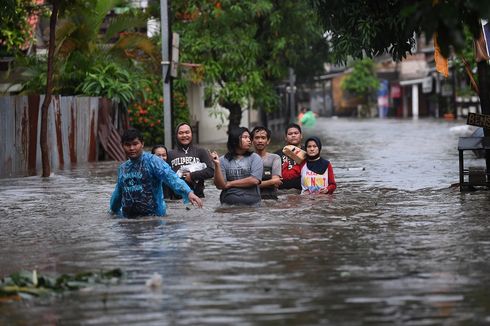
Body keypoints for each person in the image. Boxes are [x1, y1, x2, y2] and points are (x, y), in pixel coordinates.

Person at [110, 128, 203, 218]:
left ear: (142, 144)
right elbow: (118, 193)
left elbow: (171, 178)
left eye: (135, 144)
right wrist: (113, 211)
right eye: (127, 145)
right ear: (122, 145)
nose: (131, 148)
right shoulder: (123, 168)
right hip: (129, 221)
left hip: (154, 219)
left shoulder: (153, 161)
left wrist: (188, 192)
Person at [211, 127, 263, 206]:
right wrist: (217, 165)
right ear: (235, 139)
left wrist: (230, 183)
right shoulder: (222, 160)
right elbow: (220, 186)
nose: (249, 140)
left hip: (252, 203)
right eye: (245, 137)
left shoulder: (255, 158)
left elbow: (254, 180)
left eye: (249, 138)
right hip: (228, 202)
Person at [167, 122, 214, 198]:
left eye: (187, 132)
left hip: (198, 197)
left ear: (192, 134)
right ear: (176, 135)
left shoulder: (201, 151)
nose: (184, 135)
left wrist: (192, 176)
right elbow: (166, 176)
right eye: (181, 133)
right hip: (177, 199)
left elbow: (211, 171)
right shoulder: (169, 154)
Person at [251, 126, 282, 200]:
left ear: (268, 141)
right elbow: (246, 185)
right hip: (252, 198)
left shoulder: (275, 158)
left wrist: (252, 184)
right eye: (257, 138)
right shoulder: (247, 159)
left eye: (263, 138)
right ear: (252, 141)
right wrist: (270, 182)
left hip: (271, 198)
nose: (260, 141)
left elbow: (276, 183)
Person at [275, 123, 303, 191]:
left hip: (302, 191)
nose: (293, 135)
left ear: (301, 135)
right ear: (285, 137)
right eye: (290, 134)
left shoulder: (308, 153)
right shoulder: (277, 155)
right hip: (282, 193)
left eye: (296, 133)